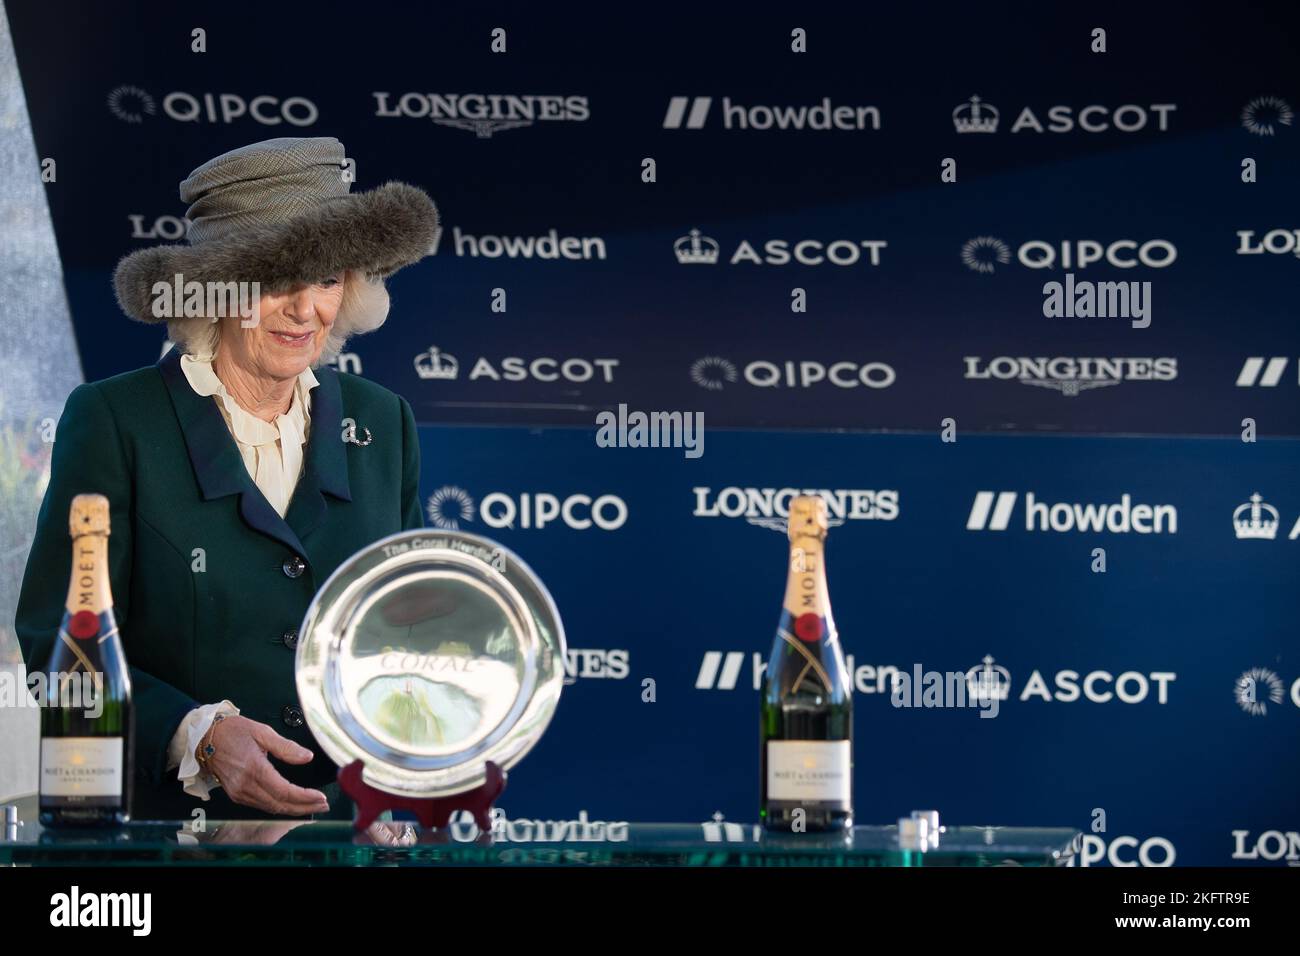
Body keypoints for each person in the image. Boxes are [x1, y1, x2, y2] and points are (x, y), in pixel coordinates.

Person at [16, 136, 440, 820]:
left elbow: (407, 620)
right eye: (279, 282)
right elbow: (54, 640)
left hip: (343, 833)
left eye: (329, 280)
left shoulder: (383, 420)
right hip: (169, 840)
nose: (307, 311)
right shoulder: (114, 420)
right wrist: (198, 735)